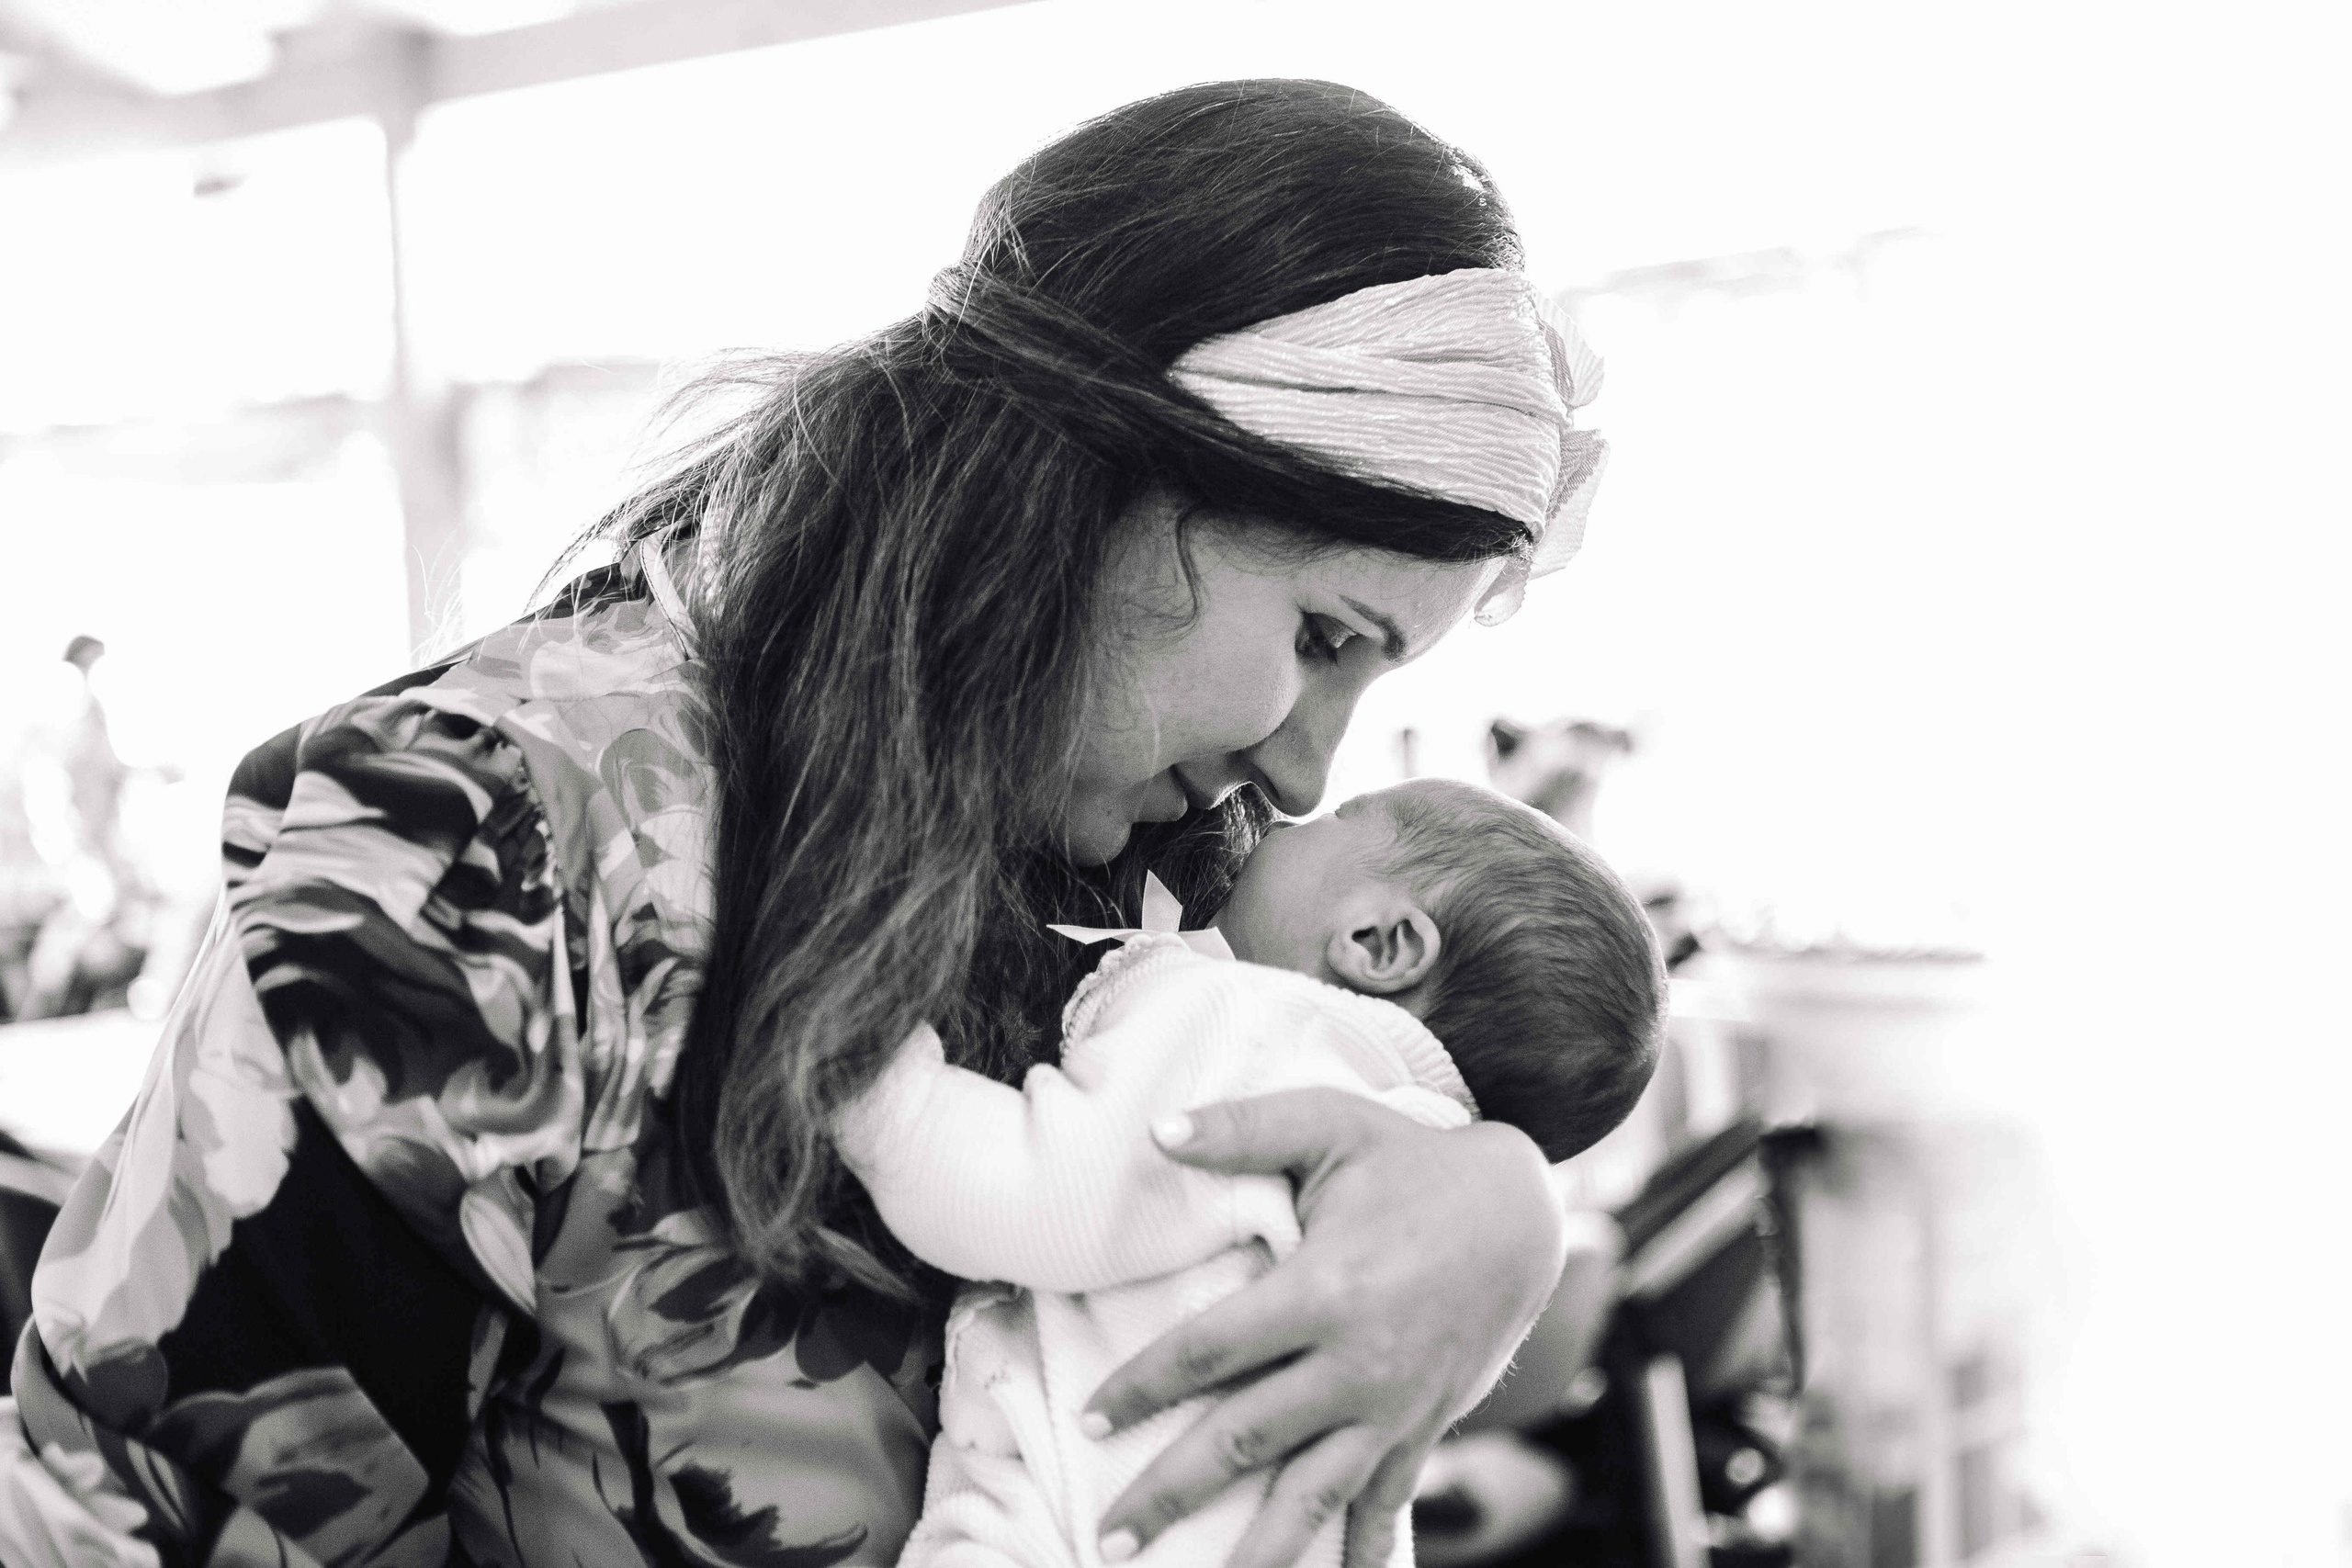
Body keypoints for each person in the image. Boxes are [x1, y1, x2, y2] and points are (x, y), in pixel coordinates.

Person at [1, 79, 1609, 1568]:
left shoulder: (1146, 857)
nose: (1313, 775)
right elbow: (120, 1521)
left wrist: (1489, 1202)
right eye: (1328, 638)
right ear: (1081, 480)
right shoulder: (472, 845)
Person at [845, 778, 1664, 1568]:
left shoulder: (1250, 1028)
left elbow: (1022, 1195)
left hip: (1073, 1529)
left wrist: (865, 1067)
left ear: (1379, 943)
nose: (1290, 813)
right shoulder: (1407, 1145)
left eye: (1343, 814)